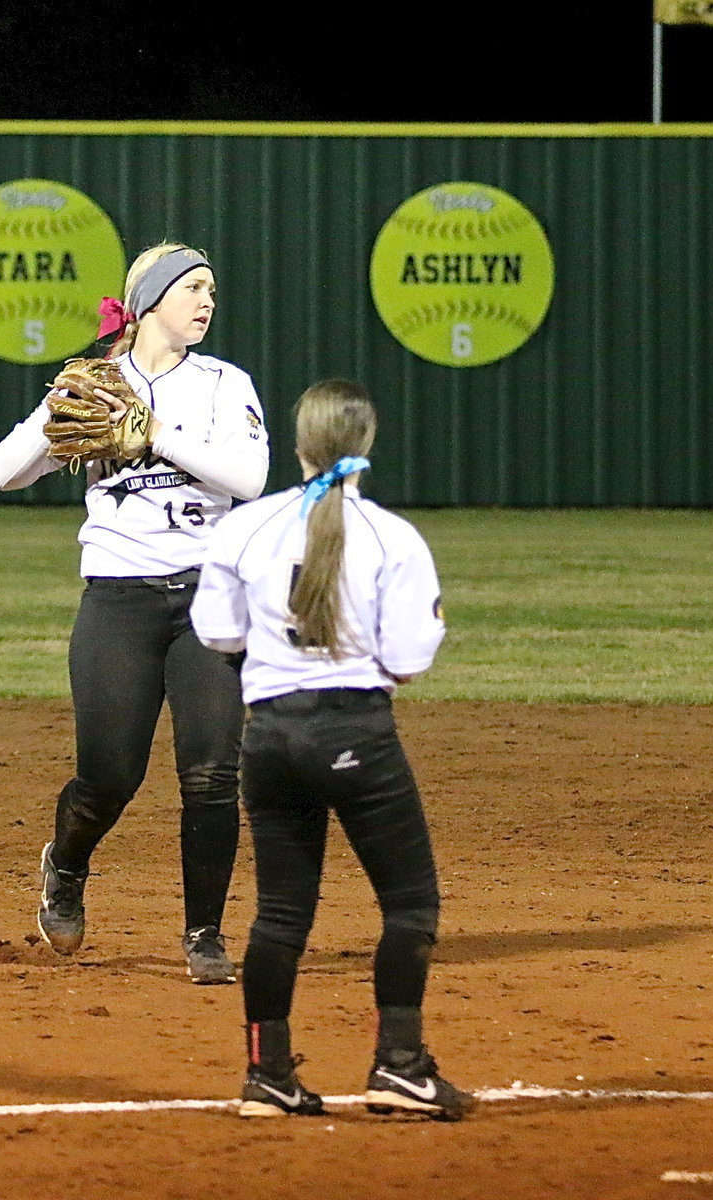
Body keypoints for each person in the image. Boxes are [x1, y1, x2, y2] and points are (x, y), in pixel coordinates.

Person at [190, 379, 475, 1117]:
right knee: (409, 905)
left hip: (270, 737)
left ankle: (267, 1077)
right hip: (354, 734)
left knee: (280, 915)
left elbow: (217, 636)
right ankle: (399, 1068)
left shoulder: (244, 527)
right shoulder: (392, 537)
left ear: (299, 445)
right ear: (364, 444)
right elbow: (408, 658)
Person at [0, 242, 270, 984]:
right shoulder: (96, 385)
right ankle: (67, 864)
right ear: (147, 301)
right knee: (109, 777)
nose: (206, 301)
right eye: (192, 288)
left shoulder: (222, 383)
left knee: (212, 773)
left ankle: (204, 934)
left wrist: (155, 433)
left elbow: (249, 476)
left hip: (209, 598)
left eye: (212, 288)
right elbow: (3, 473)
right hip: (116, 601)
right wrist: (53, 417)